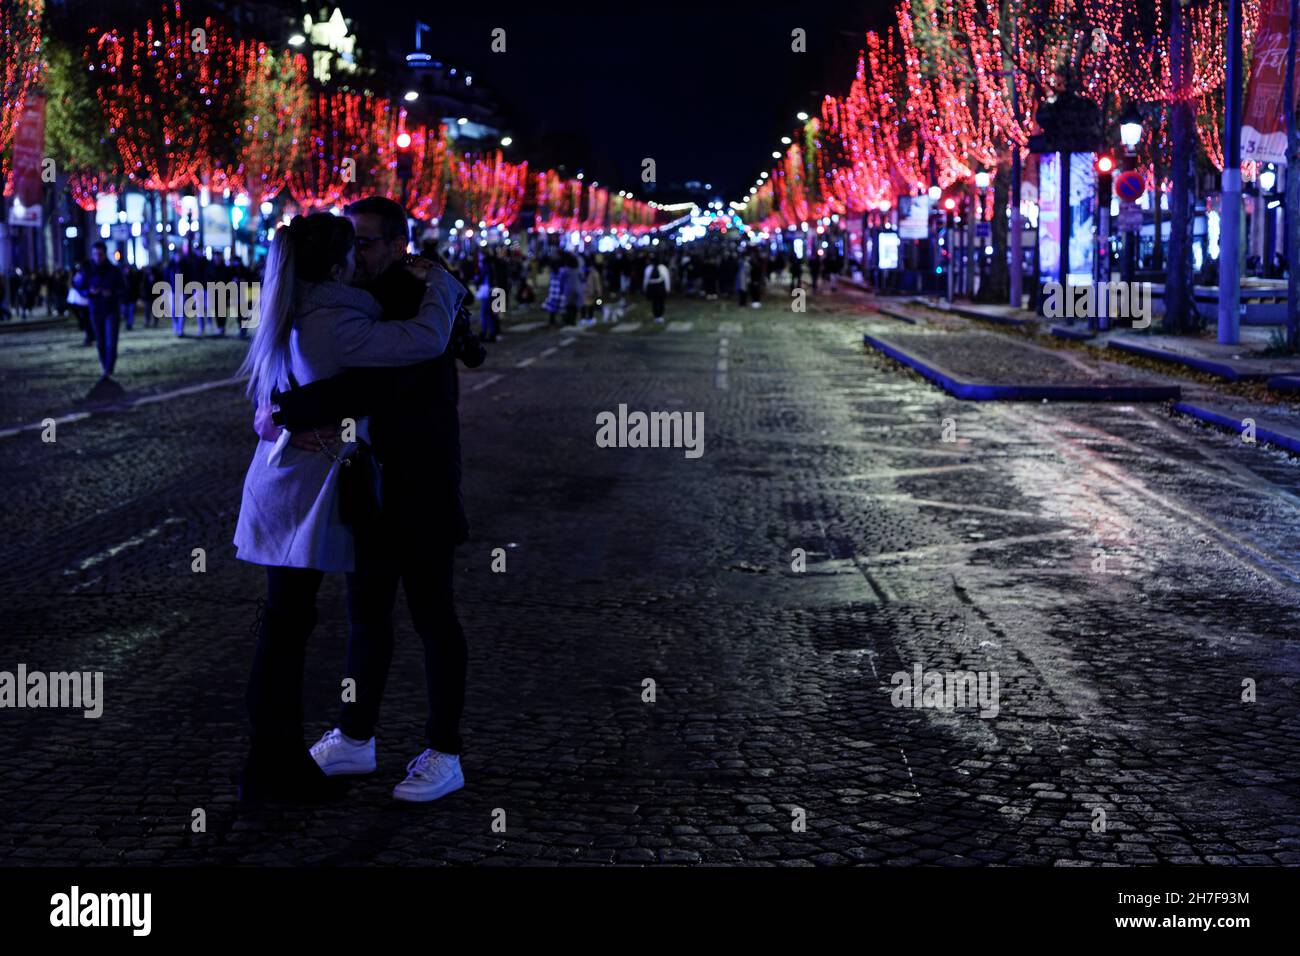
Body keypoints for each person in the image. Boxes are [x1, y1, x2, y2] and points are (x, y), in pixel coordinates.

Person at [251, 197, 484, 805]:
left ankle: (445, 750)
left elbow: (370, 381)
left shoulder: (414, 300)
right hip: (368, 484)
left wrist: (283, 412)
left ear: (401, 243)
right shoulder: (358, 303)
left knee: (433, 615)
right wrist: (274, 415)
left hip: (422, 478)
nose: (359, 252)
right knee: (366, 616)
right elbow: (310, 376)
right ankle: (357, 737)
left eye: (370, 242)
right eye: (351, 242)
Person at [72, 243, 126, 378]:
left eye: (100, 254)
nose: (97, 257)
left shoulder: (113, 270)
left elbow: (124, 289)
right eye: (95, 254)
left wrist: (112, 293)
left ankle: (109, 368)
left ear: (105, 254)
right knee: (100, 342)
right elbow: (79, 287)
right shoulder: (88, 271)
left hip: (111, 310)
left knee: (111, 342)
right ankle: (105, 366)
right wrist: (89, 292)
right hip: (95, 310)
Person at [644, 256, 670, 323]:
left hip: (659, 286)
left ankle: (660, 315)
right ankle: (657, 316)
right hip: (654, 287)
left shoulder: (662, 268)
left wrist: (667, 288)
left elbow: (666, 279)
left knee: (660, 301)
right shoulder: (649, 268)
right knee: (655, 302)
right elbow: (646, 279)